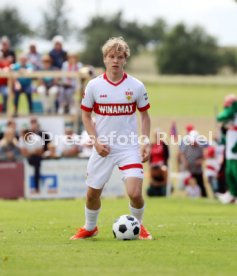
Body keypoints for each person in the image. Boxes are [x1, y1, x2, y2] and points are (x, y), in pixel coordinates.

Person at [70, 37, 152, 240]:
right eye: (111, 56)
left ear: (125, 60)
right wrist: (96, 142)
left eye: (120, 57)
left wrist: (145, 141)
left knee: (134, 193)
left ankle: (138, 226)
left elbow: (144, 115)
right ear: (105, 59)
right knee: (92, 195)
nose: (115, 60)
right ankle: (90, 227)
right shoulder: (94, 86)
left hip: (128, 147)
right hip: (102, 147)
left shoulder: (136, 86)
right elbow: (86, 116)